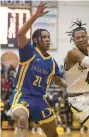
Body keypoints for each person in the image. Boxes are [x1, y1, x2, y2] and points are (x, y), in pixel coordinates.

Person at [9, 2, 67, 137]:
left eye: (49, 37)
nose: (48, 40)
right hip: (22, 95)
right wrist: (35, 16)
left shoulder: (52, 62)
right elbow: (20, 34)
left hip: (39, 100)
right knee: (22, 119)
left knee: (53, 133)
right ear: (35, 39)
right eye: (44, 37)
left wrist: (70, 86)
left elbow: (57, 80)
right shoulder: (29, 52)